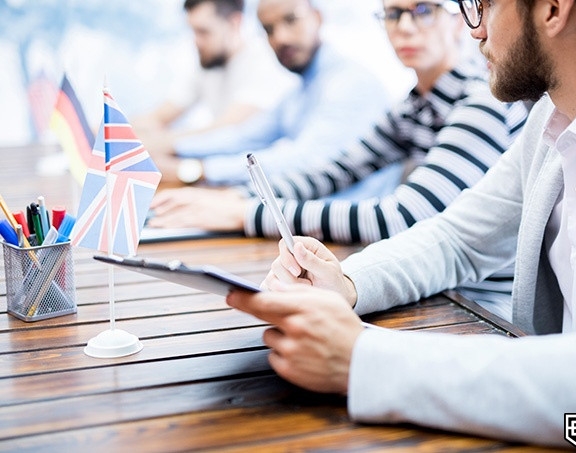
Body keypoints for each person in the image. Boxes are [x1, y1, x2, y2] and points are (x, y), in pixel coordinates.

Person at [225, 0, 576, 449]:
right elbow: (457, 239)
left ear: (553, 9)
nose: (474, 30)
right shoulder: (554, 116)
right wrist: (345, 283)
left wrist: (363, 361)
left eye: (481, 5)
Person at [149, 0, 528, 316]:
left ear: (459, 19)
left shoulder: (480, 100)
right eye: (394, 14)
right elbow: (331, 172)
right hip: (432, 289)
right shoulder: (415, 106)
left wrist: (245, 214)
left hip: (478, 308)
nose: (406, 27)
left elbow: (400, 216)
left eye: (424, 9)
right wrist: (238, 197)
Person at [152, 0, 393, 187]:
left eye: (291, 20)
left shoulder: (350, 84)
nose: (281, 37)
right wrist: (173, 150)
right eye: (269, 29)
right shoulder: (298, 91)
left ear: (317, 17)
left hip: (345, 235)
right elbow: (244, 137)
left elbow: (303, 159)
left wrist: (195, 170)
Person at [133, 0, 297, 157]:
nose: (196, 41)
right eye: (193, 31)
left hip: (259, 173)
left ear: (234, 23)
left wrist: (158, 142)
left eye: (203, 32)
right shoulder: (208, 62)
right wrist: (121, 132)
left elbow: (228, 128)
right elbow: (161, 116)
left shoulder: (264, 59)